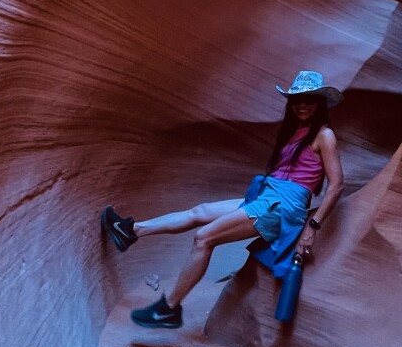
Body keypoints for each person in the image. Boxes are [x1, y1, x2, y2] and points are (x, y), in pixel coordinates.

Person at [100, 70, 345, 329]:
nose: (302, 105)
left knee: (204, 238)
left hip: (282, 208)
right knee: (200, 211)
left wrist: (312, 228)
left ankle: (170, 308)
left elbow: (337, 185)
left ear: (319, 103)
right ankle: (131, 231)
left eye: (309, 99)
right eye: (297, 100)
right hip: (268, 197)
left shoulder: (324, 135)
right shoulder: (297, 131)